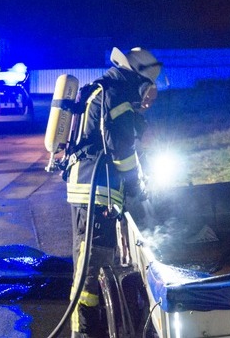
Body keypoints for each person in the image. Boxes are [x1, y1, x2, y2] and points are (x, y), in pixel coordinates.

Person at [65, 47, 161, 338]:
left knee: (95, 262)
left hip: (91, 189)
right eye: (149, 85)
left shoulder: (109, 89)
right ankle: (83, 332)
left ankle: (93, 326)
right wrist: (136, 188)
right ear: (139, 79)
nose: (148, 94)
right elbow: (122, 152)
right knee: (90, 267)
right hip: (95, 190)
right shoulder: (116, 95)